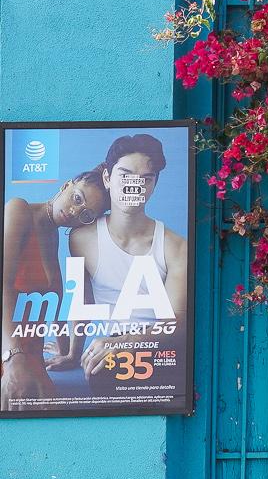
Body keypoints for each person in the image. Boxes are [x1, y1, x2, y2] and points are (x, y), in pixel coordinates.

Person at [69, 133, 189, 397]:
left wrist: (124, 344)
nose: (134, 185)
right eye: (125, 174)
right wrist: (71, 353)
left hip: (159, 350)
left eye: (146, 178)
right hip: (108, 353)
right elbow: (84, 303)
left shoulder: (175, 246)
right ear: (107, 179)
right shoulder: (81, 239)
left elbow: (178, 326)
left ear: (154, 185)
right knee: (103, 376)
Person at [0, 169, 111, 410]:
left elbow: (61, 300)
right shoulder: (19, 209)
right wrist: (13, 358)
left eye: (85, 214)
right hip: (10, 354)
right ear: (67, 185)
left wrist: (70, 352)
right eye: (77, 198)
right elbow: (3, 285)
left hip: (31, 359)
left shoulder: (53, 235)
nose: (74, 212)